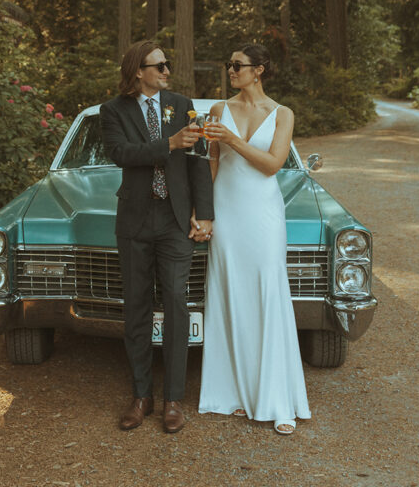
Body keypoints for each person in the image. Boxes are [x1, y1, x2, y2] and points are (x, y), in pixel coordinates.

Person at [100, 40, 214, 434]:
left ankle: (173, 400)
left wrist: (206, 214)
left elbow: (198, 161)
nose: (167, 70)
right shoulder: (112, 110)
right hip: (134, 220)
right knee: (136, 306)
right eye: (159, 65)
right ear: (138, 72)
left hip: (175, 220)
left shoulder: (182, 104)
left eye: (167, 64)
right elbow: (121, 153)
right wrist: (167, 144)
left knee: (178, 303)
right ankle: (141, 396)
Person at [198, 43, 311, 435]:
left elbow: (272, 165)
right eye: (229, 64)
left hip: (262, 214)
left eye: (238, 65)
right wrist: (204, 212)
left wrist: (232, 140)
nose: (231, 70)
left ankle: (277, 400)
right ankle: (233, 394)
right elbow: (211, 162)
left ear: (259, 70)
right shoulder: (217, 109)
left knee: (266, 293)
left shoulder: (282, 114)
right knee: (230, 294)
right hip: (226, 211)